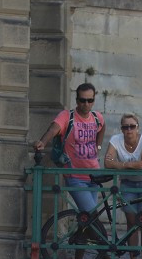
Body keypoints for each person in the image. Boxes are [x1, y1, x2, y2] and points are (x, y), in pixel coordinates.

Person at [33, 82, 107, 213]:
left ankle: (82, 234)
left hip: (94, 174)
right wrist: (43, 142)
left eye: (90, 100)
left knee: (87, 219)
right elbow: (53, 129)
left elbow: (102, 127)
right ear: (77, 100)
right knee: (91, 214)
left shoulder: (97, 117)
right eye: (83, 100)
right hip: (75, 177)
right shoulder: (67, 116)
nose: (86, 104)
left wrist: (98, 146)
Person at [103, 113, 142, 259]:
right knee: (132, 222)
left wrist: (120, 165)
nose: (129, 130)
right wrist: (129, 165)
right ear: (122, 129)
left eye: (132, 126)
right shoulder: (116, 140)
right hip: (128, 183)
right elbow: (107, 162)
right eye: (125, 127)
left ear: (137, 128)